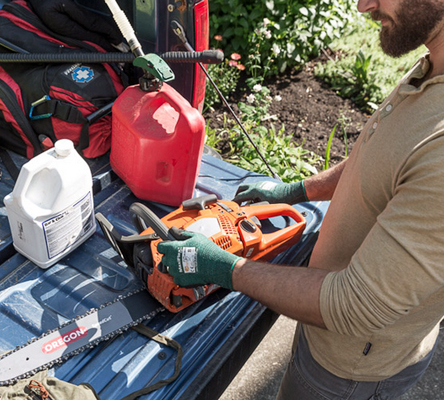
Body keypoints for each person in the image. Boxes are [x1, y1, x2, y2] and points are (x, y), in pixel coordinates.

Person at [157, 0, 444, 398]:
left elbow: (355, 306)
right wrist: (299, 190)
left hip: (350, 367)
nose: (364, 6)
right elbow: (380, 159)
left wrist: (224, 268)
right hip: (330, 331)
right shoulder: (435, 60)